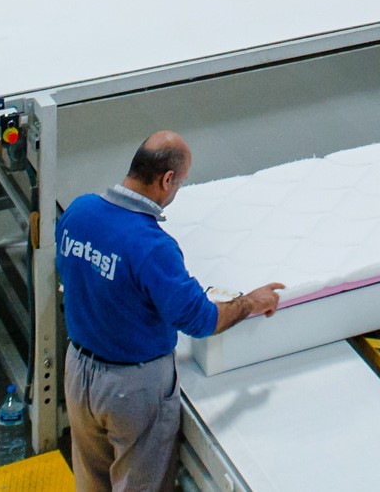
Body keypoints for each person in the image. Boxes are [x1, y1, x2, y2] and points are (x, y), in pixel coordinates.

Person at [57, 132, 285, 492]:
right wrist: (250, 302)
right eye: (180, 182)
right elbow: (201, 320)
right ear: (166, 179)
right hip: (130, 389)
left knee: (91, 480)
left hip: (78, 372)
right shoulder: (152, 246)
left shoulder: (78, 212)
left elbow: (76, 275)